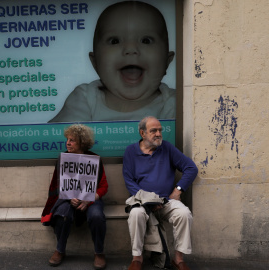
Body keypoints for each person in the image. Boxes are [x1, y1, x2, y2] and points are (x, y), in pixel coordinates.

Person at [49, 1, 175, 123]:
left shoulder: (174, 103)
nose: (131, 49)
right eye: (114, 41)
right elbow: (60, 139)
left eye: (146, 40)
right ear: (95, 62)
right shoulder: (86, 98)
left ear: (167, 61)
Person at [123, 116, 198, 270]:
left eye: (159, 130)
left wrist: (178, 190)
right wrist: (149, 200)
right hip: (142, 202)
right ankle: (137, 258)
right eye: (153, 131)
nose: (158, 134)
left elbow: (191, 168)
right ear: (142, 133)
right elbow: (129, 181)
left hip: (166, 201)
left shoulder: (167, 148)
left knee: (184, 213)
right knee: (136, 214)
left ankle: (178, 259)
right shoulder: (131, 151)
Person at [41, 124, 108, 269]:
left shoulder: (95, 159)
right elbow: (57, 186)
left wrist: (89, 199)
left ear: (82, 143)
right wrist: (68, 197)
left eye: (72, 140)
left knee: (97, 216)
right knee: (62, 213)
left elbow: (103, 186)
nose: (68, 143)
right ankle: (60, 249)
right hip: (68, 199)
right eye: (67, 139)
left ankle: (99, 252)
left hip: (91, 199)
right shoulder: (63, 159)